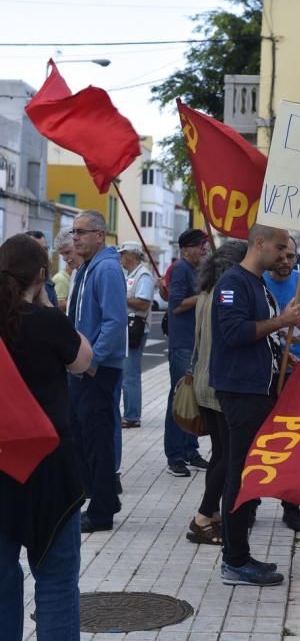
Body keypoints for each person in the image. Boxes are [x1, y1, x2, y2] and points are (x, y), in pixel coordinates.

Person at [0, 233, 92, 640]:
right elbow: (84, 363)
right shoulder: (49, 321)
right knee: (55, 580)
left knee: (2, 579)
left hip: (1, 464)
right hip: (50, 468)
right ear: (41, 273)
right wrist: (46, 305)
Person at [210, 223, 300, 586]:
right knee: (240, 475)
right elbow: (233, 333)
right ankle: (234, 561)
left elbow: (257, 334)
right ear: (259, 242)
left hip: (257, 389)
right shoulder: (233, 283)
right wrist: (280, 321)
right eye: (280, 247)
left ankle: (240, 554)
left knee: (248, 474)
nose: (284, 255)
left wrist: (280, 354)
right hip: (241, 393)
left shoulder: (257, 282)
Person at [68, 210, 127, 533]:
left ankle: (102, 511)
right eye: (74, 231)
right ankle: (103, 497)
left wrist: (93, 361)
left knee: (97, 440)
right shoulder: (89, 267)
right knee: (82, 437)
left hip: (97, 370)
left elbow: (115, 322)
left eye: (82, 231)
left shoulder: (106, 268)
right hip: (82, 368)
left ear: (100, 235)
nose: (75, 237)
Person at [187, 240, 248, 546]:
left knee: (220, 453)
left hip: (203, 381)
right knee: (227, 456)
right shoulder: (226, 295)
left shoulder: (207, 293)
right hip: (219, 384)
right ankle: (202, 516)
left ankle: (209, 514)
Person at [263, 234, 300, 532]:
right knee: (258, 438)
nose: (287, 262)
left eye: (292, 258)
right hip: (264, 371)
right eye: (282, 256)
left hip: (297, 370)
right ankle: (250, 503)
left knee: (292, 439)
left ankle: (291, 504)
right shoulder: (257, 281)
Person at [165, 228, 210, 477]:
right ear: (185, 250)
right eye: (199, 245)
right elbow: (177, 305)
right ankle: (175, 456)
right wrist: (204, 295)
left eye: (204, 244)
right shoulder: (182, 269)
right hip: (182, 345)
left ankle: (191, 451)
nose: (204, 248)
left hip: (195, 345)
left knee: (194, 401)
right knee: (179, 400)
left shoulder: (197, 270)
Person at [118, 241, 155, 428]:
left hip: (135, 327)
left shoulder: (144, 275)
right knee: (127, 372)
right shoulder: (132, 274)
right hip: (128, 326)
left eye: (123, 253)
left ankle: (132, 415)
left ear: (131, 255)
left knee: (130, 373)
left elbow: (143, 303)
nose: (121, 257)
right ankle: (130, 413)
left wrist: (120, 297)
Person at [53, 227, 83, 312]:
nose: (64, 259)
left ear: (79, 246)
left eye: (67, 252)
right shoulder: (75, 272)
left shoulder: (94, 271)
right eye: (62, 254)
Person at [26, 230, 58, 307]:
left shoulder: (47, 282)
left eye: (45, 249)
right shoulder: (17, 284)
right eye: (37, 249)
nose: (44, 254)